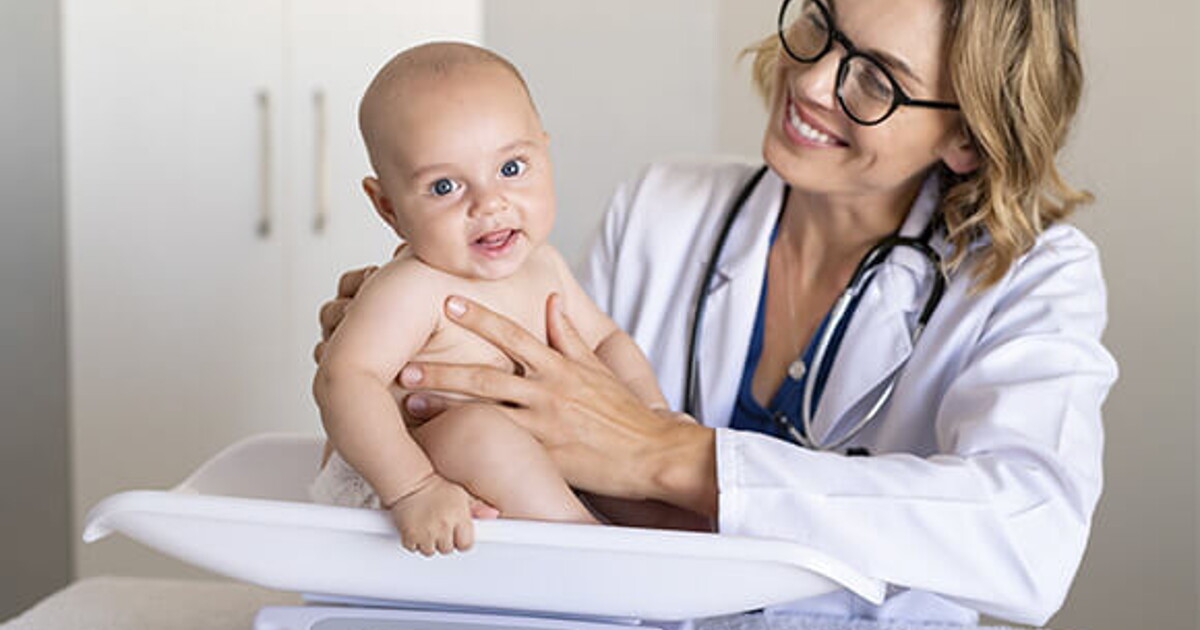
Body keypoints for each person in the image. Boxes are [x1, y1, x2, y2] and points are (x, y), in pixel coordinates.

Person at [316, 0, 1116, 625]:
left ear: (967, 139)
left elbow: (1031, 536)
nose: (808, 82)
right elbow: (546, 438)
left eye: (875, 77)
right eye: (821, 27)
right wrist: (413, 374)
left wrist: (671, 454)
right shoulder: (664, 208)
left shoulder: (1031, 276)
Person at [310, 42, 670, 557]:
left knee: (613, 460)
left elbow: (608, 341)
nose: (489, 203)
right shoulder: (413, 286)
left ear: (545, 153)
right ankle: (591, 548)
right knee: (479, 431)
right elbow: (343, 379)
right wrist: (413, 488)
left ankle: (664, 529)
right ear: (388, 207)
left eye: (511, 168)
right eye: (444, 186)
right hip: (397, 482)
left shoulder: (544, 265)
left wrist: (652, 418)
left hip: (511, 480)